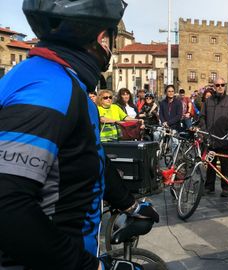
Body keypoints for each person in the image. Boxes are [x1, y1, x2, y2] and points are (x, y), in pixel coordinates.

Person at [0, 1, 159, 269]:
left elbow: (88, 155)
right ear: (102, 39)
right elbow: (7, 204)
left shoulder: (61, 81)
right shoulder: (50, 86)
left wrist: (129, 205)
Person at [199, 77, 228, 197]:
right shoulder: (208, 101)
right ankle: (209, 187)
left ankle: (226, 187)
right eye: (217, 85)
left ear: (225, 86)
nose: (220, 87)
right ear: (214, 87)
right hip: (210, 138)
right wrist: (204, 131)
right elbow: (202, 117)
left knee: (225, 165)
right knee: (211, 165)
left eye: (222, 84)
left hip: (224, 138)